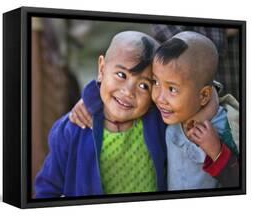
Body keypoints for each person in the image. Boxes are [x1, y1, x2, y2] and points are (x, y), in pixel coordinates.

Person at [69, 31, 239, 190]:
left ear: (203, 95)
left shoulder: (227, 127)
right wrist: (91, 101)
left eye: (172, 89)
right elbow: (121, 91)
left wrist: (216, 151)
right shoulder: (168, 113)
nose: (159, 97)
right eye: (155, 82)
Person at [35, 31, 167, 198]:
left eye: (144, 86)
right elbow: (48, 188)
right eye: (121, 75)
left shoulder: (158, 122)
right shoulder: (72, 130)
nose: (128, 92)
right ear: (102, 69)